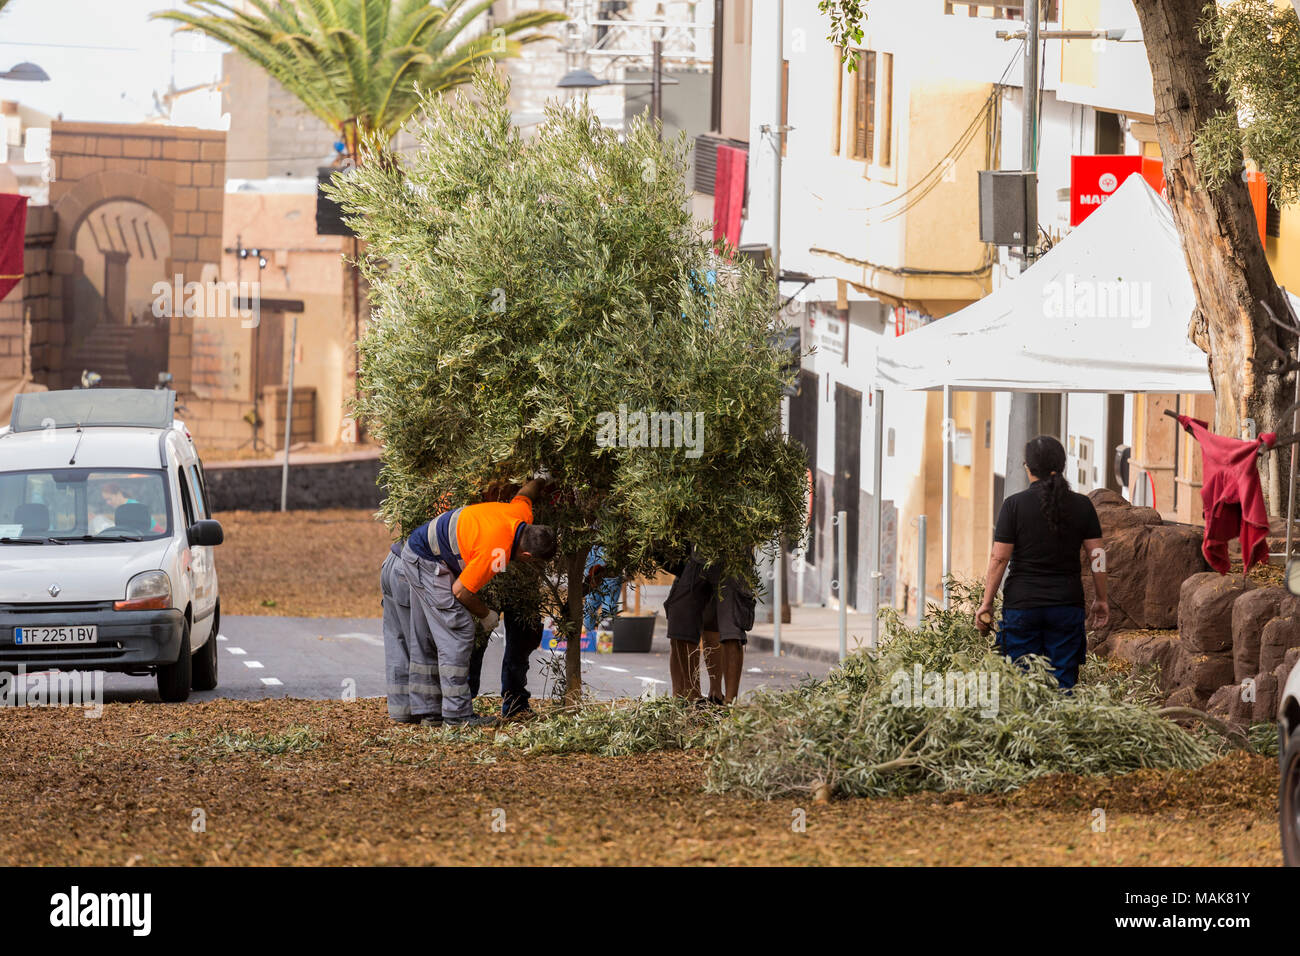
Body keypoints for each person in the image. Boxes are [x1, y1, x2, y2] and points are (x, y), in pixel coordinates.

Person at [401, 477, 557, 727]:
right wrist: (487, 615)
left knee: (433, 634)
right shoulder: (497, 552)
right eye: (531, 561)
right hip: (426, 561)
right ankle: (456, 716)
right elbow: (461, 591)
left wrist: (542, 480)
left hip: (426, 550)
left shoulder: (520, 515)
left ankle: (429, 713)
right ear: (527, 555)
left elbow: (526, 492)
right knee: (459, 630)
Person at [976, 435, 1109, 690]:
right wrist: (1101, 599)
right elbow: (1098, 555)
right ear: (1062, 466)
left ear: (1027, 467)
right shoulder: (1082, 505)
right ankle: (1059, 729)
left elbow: (999, 558)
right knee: (1062, 685)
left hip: (1022, 608)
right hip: (1066, 607)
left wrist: (987, 603)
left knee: (1022, 686)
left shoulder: (1013, 506)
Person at [664, 547, 756, 704]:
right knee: (680, 618)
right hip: (696, 558)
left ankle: (728, 702)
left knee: (729, 629)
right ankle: (689, 696)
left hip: (733, 559)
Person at [379, 540, 417, 723]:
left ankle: (400, 711)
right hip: (409, 568)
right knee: (419, 642)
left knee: (396, 639)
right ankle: (427, 710)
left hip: (392, 561)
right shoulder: (452, 511)